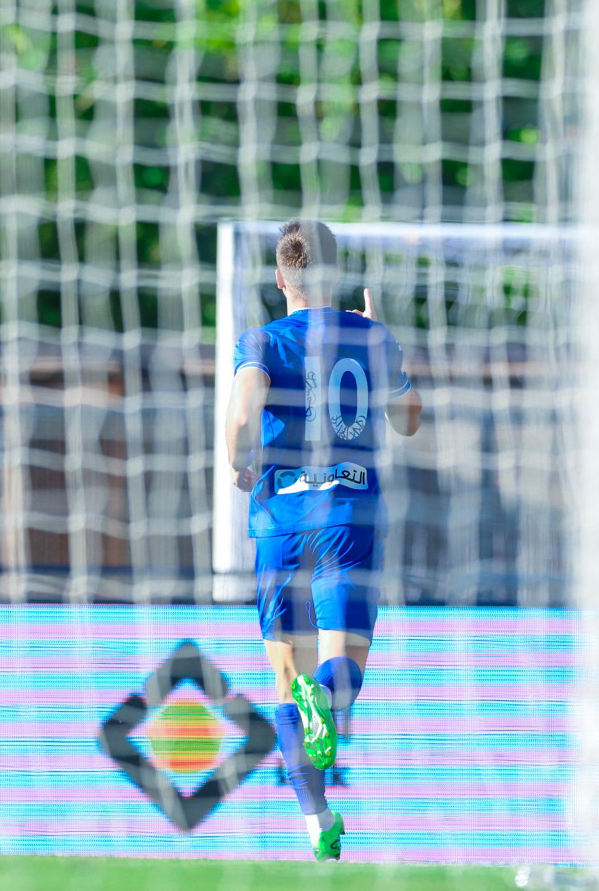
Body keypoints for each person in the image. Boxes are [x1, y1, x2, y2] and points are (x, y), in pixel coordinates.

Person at [225, 221, 422, 861]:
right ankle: (328, 705)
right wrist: (382, 346)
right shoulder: (370, 335)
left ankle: (318, 822)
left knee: (288, 684)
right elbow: (409, 418)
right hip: (349, 515)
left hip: (280, 523)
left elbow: (241, 413)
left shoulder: (261, 340)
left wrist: (239, 460)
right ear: (335, 277)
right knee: (343, 676)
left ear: (280, 278)